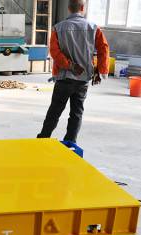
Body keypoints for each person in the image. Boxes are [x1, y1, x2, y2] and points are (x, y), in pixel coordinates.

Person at [37, 0, 109, 143]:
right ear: (82, 8)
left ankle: (43, 139)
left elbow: (54, 52)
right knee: (76, 113)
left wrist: (69, 65)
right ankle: (70, 142)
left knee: (54, 111)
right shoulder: (94, 28)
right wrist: (102, 70)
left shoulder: (58, 28)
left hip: (64, 78)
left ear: (69, 8)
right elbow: (104, 49)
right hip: (83, 79)